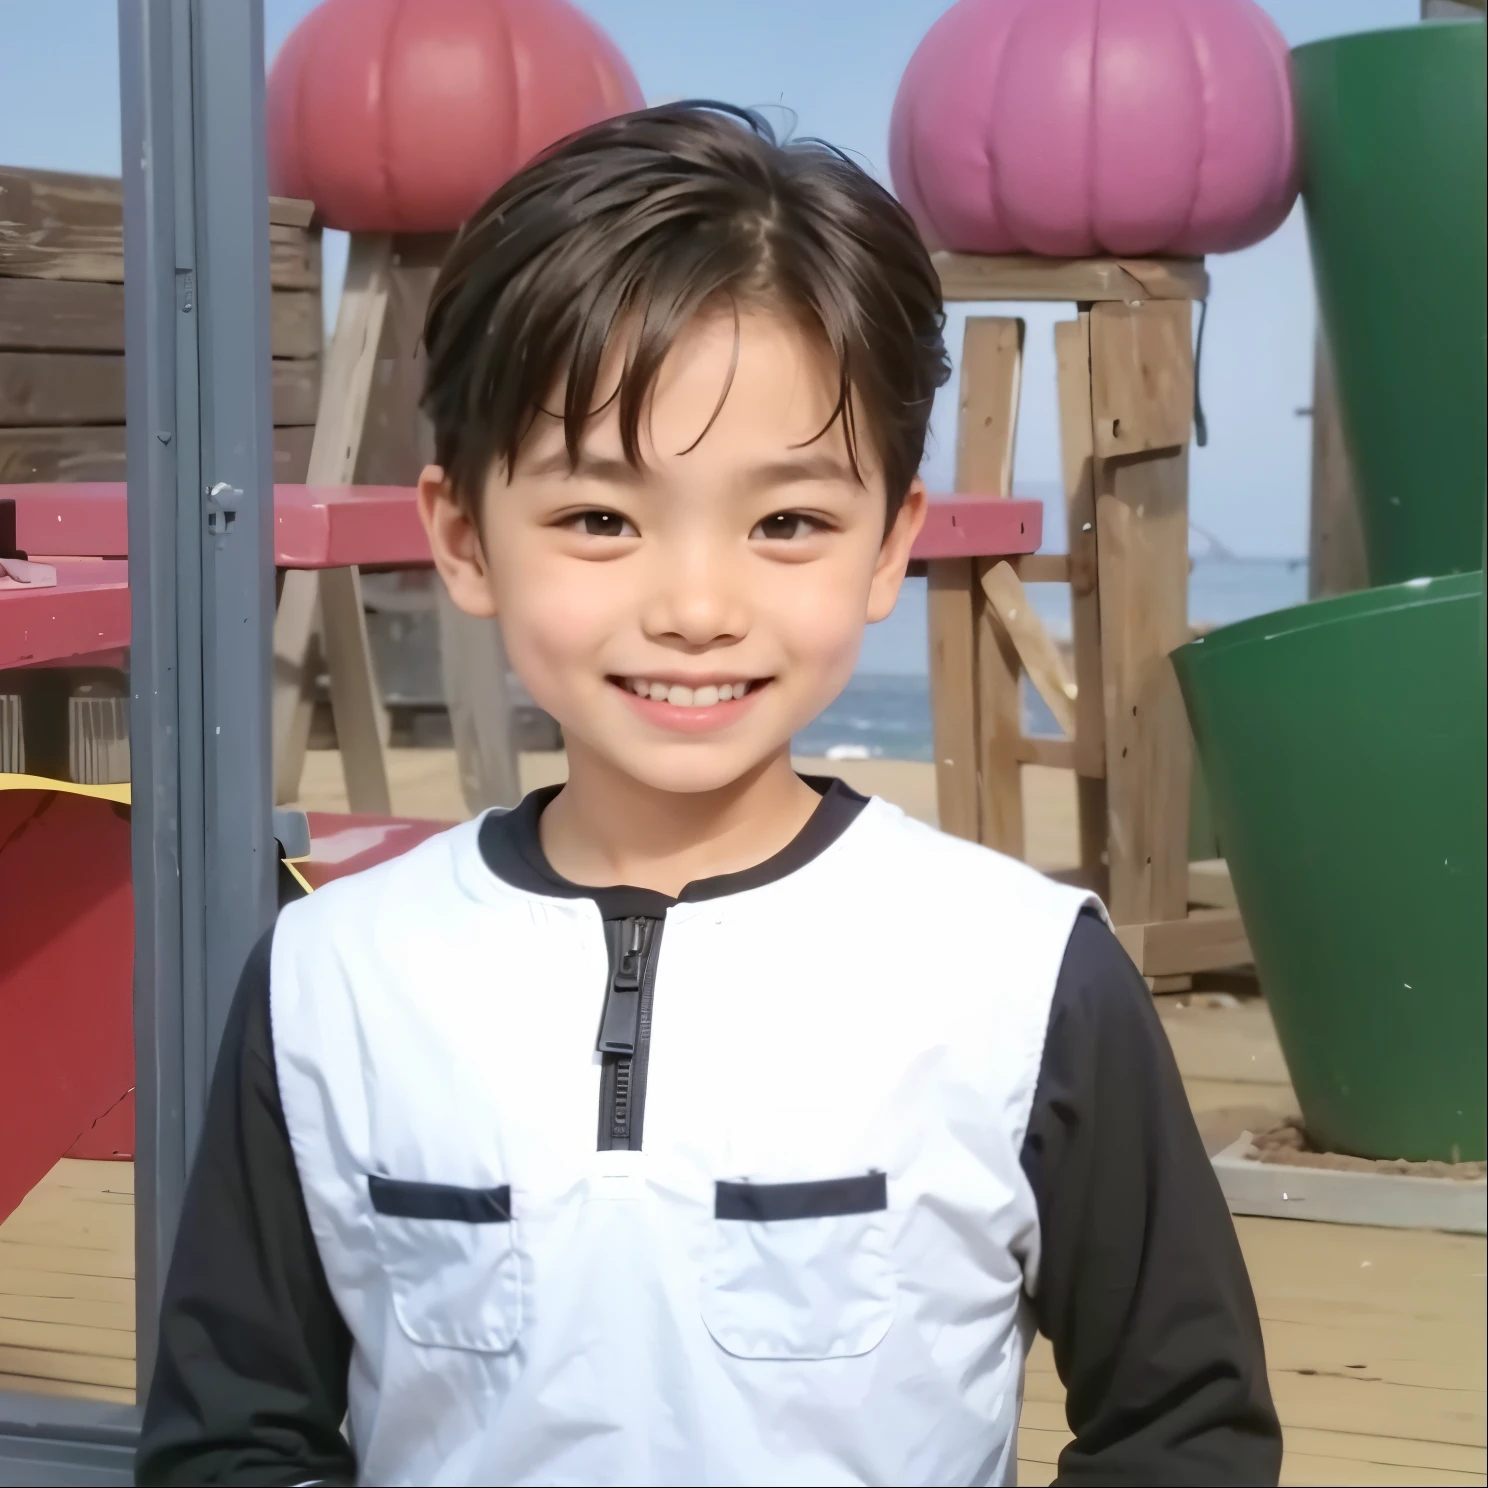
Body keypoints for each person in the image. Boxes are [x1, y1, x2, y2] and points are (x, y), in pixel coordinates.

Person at [136, 102, 1281, 1487]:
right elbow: (231, 1441)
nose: (693, 606)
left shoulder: (1021, 972)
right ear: (463, 536)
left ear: (887, 546)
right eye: (599, 519)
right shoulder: (336, 977)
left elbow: (1183, 1426)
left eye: (788, 521)